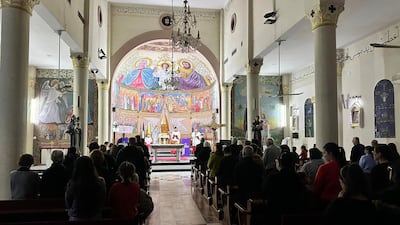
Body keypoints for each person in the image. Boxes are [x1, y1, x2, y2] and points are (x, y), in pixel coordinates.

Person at [65, 156, 106, 221]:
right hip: (95, 216)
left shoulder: (72, 183)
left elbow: (68, 203)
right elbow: (102, 199)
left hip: (76, 217)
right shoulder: (100, 182)